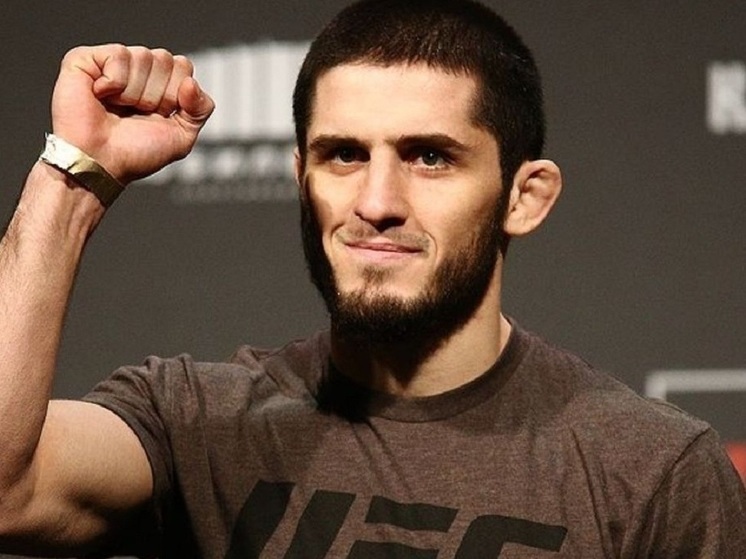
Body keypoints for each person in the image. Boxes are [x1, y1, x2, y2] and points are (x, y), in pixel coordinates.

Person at [0, 0, 744, 557]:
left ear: (524, 197)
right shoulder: (199, 424)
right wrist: (73, 176)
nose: (377, 202)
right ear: (302, 178)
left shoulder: (650, 471)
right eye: (344, 155)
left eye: (430, 157)